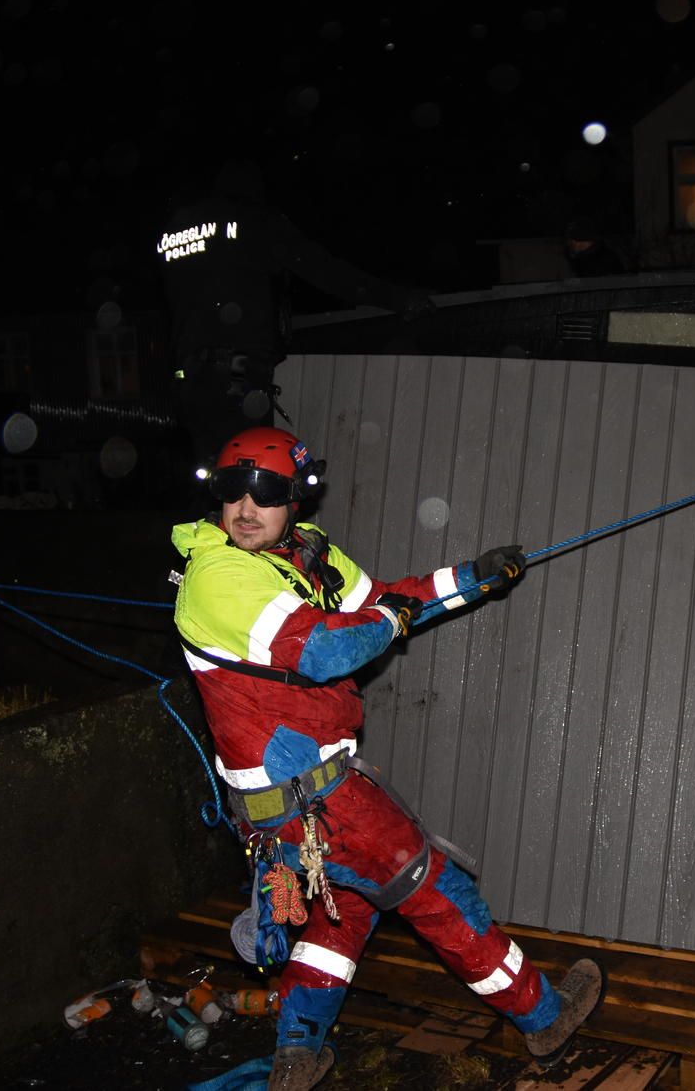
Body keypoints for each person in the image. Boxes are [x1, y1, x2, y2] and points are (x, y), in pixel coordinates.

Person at [171, 426, 602, 1089]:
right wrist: (391, 620)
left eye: (265, 490)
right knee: (434, 889)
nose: (245, 507)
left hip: (298, 801)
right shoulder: (217, 577)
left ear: (295, 500)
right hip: (315, 801)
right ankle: (543, 1014)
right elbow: (323, 650)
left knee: (342, 916)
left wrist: (471, 578)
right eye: (232, 489)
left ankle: (297, 1055)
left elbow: (381, 600)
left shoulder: (307, 556)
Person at [159, 160, 429, 467]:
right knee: (252, 474)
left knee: (212, 475)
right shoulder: (254, 220)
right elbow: (324, 270)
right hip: (239, 375)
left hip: (188, 379)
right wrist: (398, 298)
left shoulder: (175, 229)